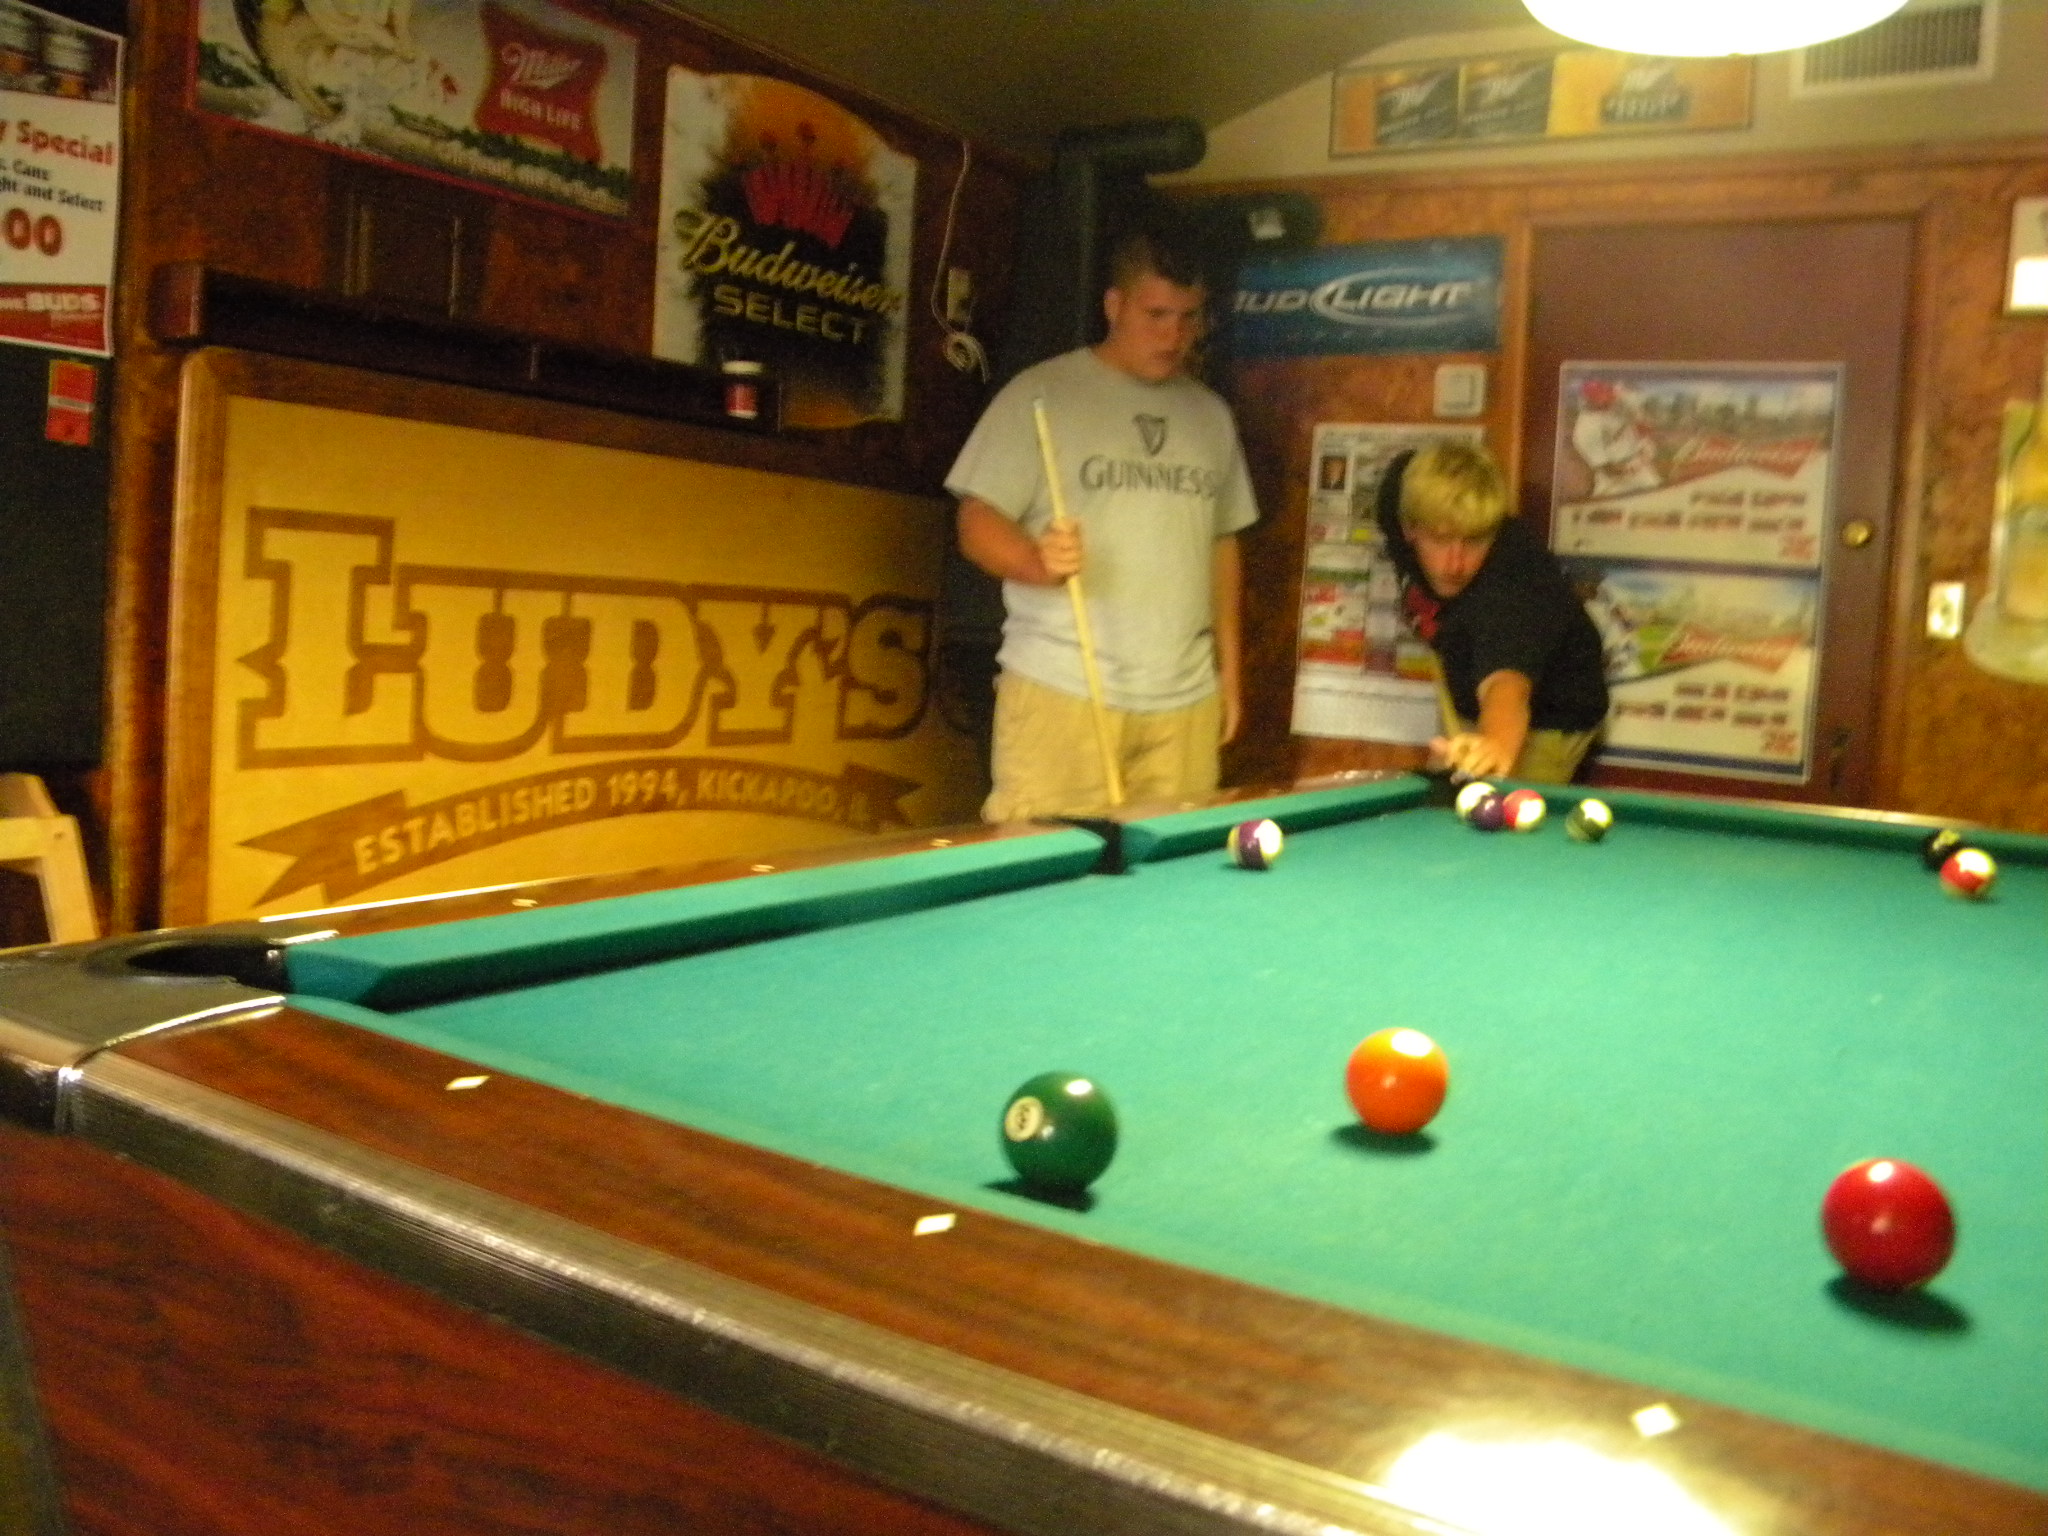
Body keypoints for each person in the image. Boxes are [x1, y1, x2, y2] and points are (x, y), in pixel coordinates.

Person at [946, 227, 1258, 821]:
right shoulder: (1043, 394)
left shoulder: (1210, 416)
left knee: (1173, 872)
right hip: (1062, 691)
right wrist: (1035, 562)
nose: (1172, 336)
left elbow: (1222, 546)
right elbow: (976, 522)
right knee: (1045, 867)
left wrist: (1230, 673)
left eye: (1187, 318)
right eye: (1155, 314)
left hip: (1184, 702)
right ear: (1114, 305)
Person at [1378, 441, 1609, 783]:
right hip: (1466, 680)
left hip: (1552, 715)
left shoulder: (1516, 585)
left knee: (1499, 799)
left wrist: (1494, 746)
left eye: (1474, 540)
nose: (1455, 564)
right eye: (1440, 540)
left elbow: (1507, 687)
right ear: (1409, 527)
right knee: (1445, 791)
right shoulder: (1401, 502)